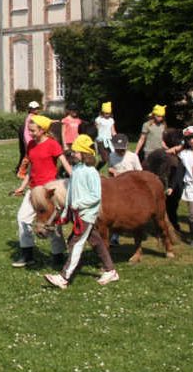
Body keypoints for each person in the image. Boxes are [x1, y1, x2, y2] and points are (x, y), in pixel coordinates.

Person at [44, 135, 120, 288]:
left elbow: (95, 196)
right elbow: (71, 191)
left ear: (85, 153)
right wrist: (66, 210)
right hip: (76, 213)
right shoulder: (76, 169)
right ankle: (110, 270)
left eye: (77, 152)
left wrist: (79, 204)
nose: (73, 154)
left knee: (75, 242)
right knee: (96, 241)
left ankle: (63, 277)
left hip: (86, 214)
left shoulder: (91, 172)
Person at [11, 114, 71, 268]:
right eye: (29, 131)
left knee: (52, 223)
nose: (30, 134)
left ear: (43, 130)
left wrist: (75, 178)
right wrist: (22, 187)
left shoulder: (52, 144)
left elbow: (64, 164)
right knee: (23, 218)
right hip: (33, 190)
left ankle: (58, 256)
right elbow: (32, 169)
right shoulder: (31, 145)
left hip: (49, 191)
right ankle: (27, 255)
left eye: (33, 131)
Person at [15, 101, 41, 175]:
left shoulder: (35, 117)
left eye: (37, 108)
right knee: (28, 156)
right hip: (29, 140)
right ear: (30, 109)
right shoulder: (30, 118)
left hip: (33, 139)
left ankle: (32, 171)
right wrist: (28, 141)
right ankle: (21, 172)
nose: (36, 110)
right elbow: (26, 132)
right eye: (34, 108)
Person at [94, 102, 117, 168]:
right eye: (106, 113)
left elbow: (113, 131)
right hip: (101, 141)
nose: (107, 115)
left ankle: (111, 172)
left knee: (112, 157)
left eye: (109, 113)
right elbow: (96, 130)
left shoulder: (111, 120)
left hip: (109, 141)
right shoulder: (98, 119)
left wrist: (117, 137)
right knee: (105, 159)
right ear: (103, 112)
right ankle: (96, 168)